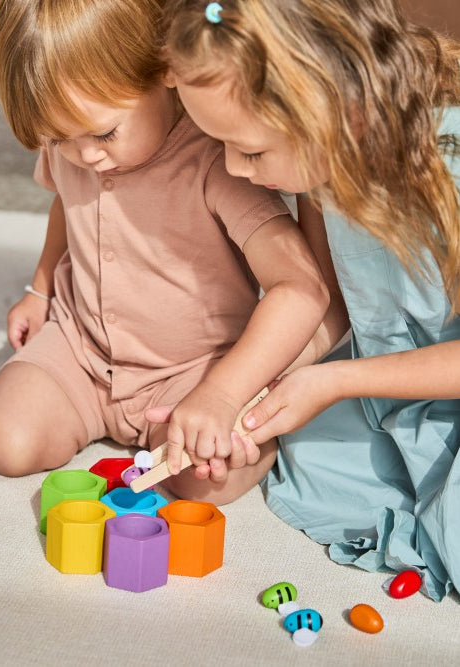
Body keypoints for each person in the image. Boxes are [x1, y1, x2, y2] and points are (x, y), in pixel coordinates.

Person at [0, 0, 330, 506]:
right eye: (59, 138)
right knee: (0, 439)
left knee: (205, 481)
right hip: (83, 349)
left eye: (104, 133)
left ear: (164, 68)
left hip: (192, 373)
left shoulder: (220, 159)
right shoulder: (73, 144)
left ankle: (250, 434)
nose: (85, 157)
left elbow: (302, 287)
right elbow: (65, 207)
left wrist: (223, 394)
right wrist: (41, 287)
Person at [160, 0, 460, 599]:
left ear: (337, 112)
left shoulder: (448, 170)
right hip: (398, 392)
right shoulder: (325, 167)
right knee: (305, 462)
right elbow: (333, 310)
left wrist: (333, 384)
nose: (234, 169)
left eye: (250, 150)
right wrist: (246, 396)